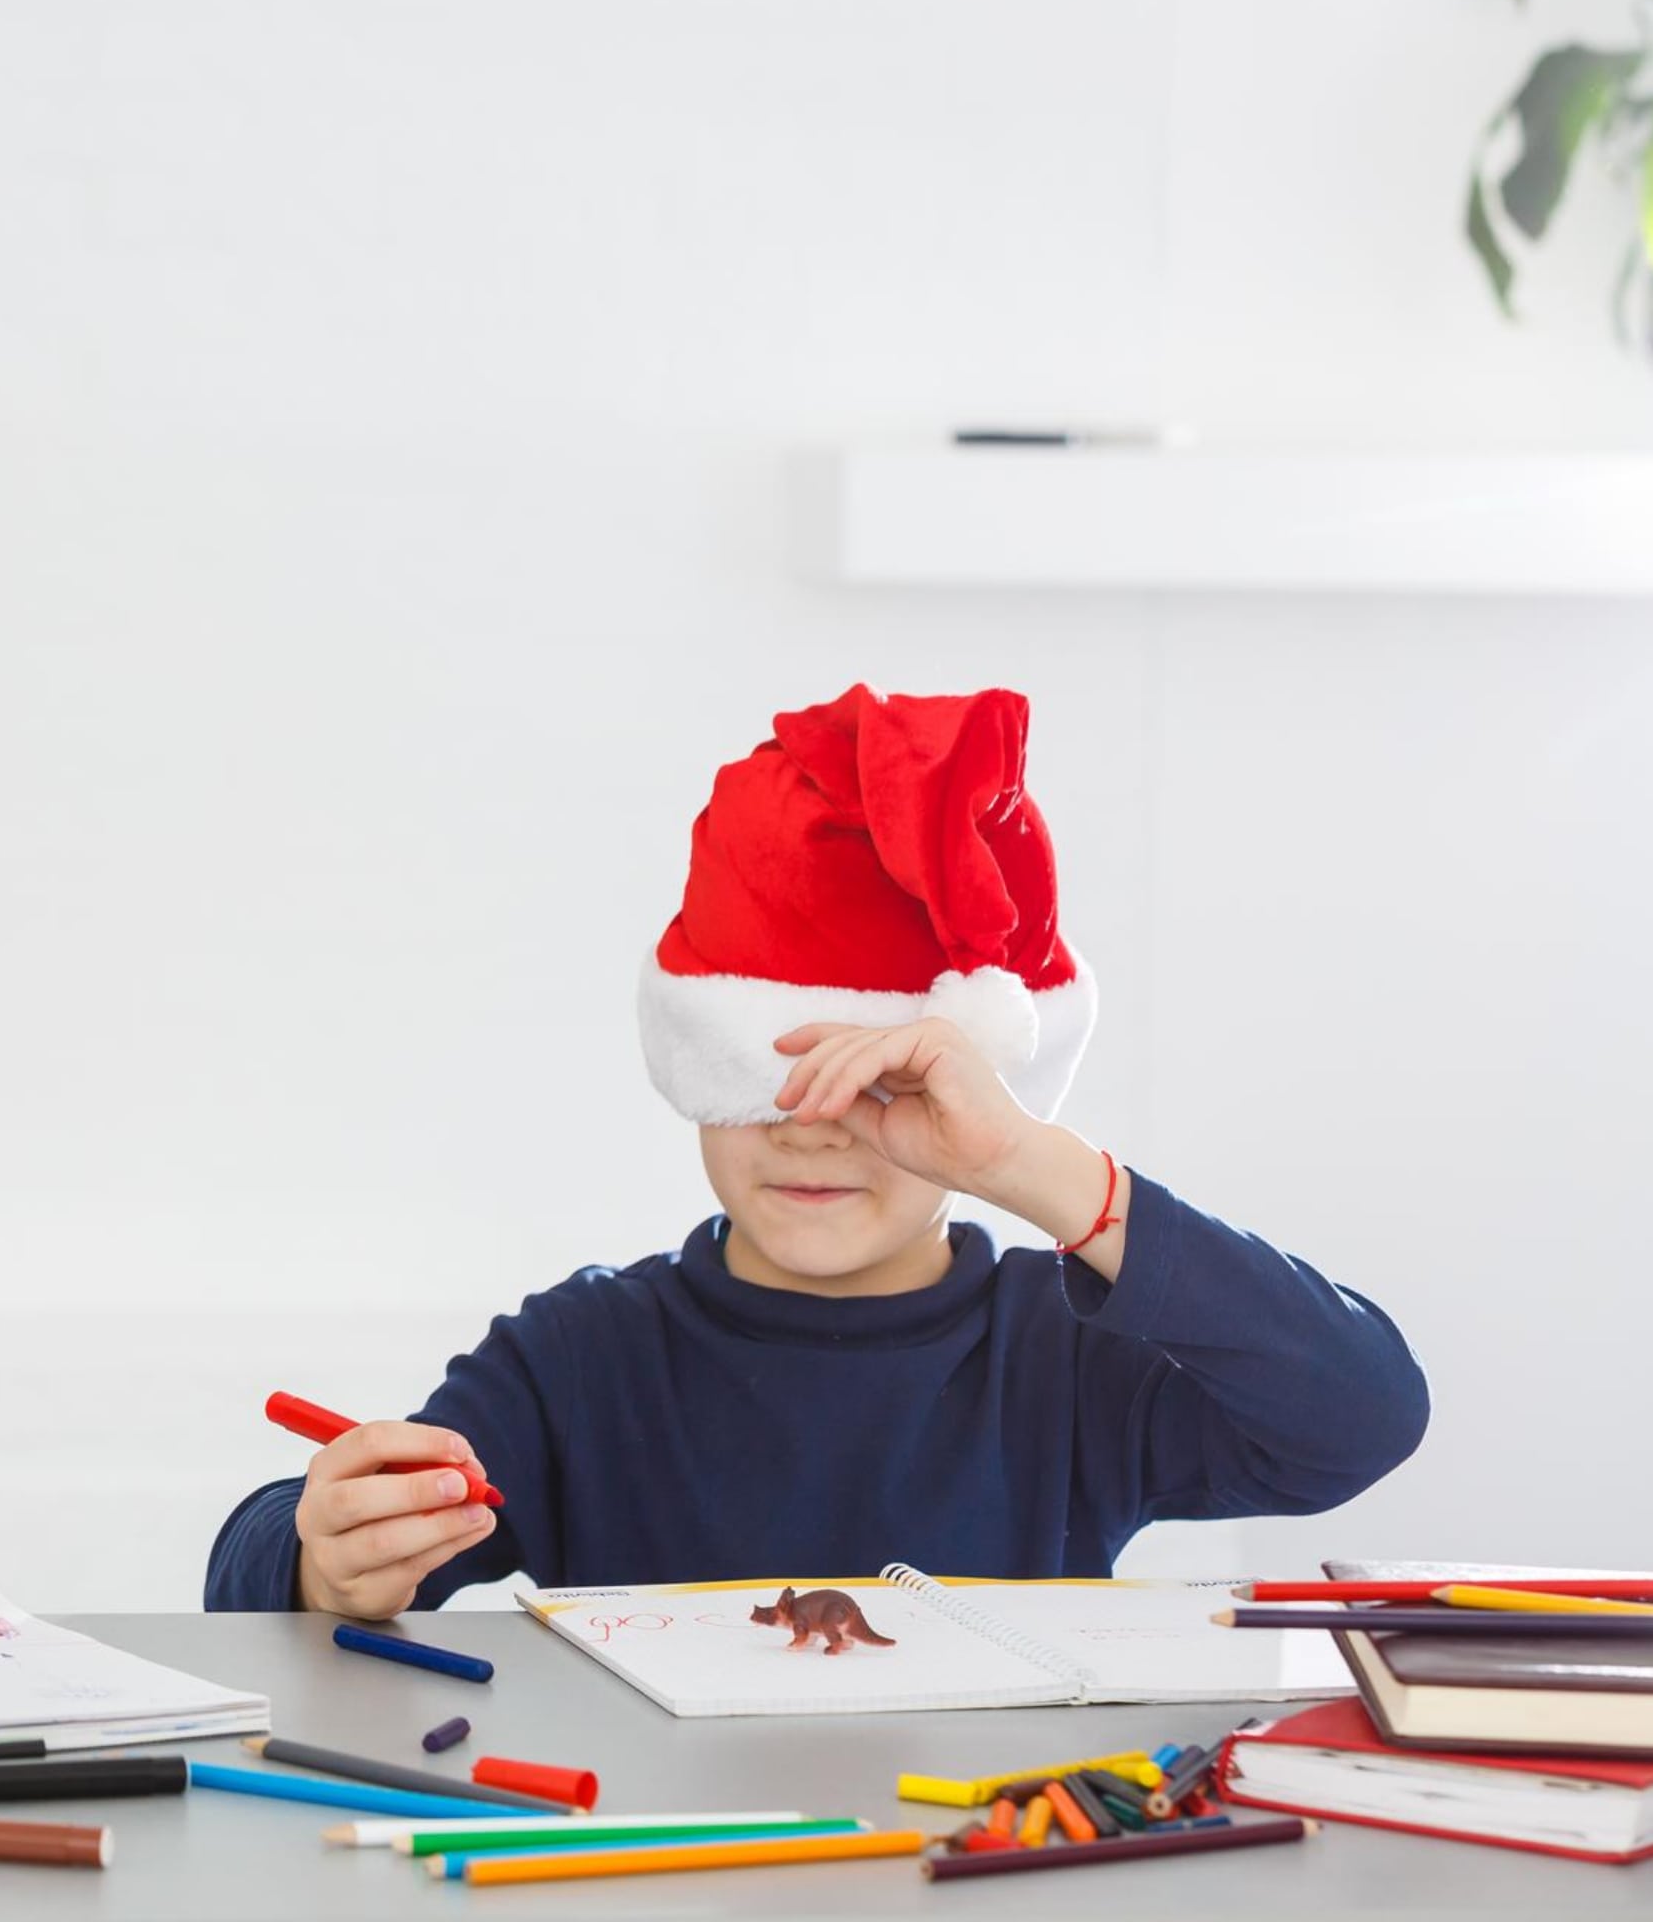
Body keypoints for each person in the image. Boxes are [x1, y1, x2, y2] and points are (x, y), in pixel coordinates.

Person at [205, 684, 1426, 1618]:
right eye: (758, 1072)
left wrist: (1030, 1164)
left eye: (882, 1081)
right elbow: (256, 1575)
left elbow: (1361, 1412)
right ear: (692, 1072)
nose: (810, 1120)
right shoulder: (585, 1358)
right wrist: (325, 1558)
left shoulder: (1066, 1356)